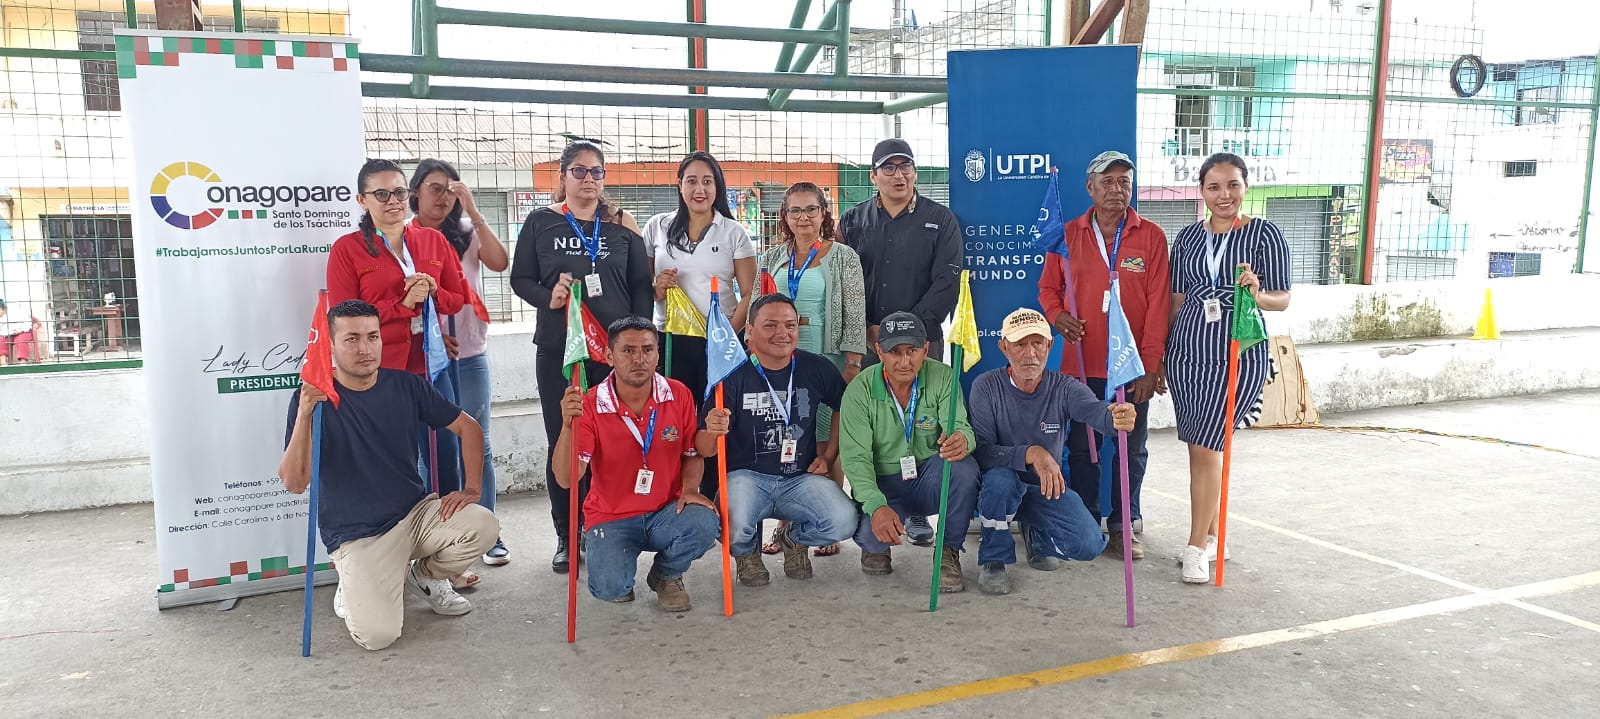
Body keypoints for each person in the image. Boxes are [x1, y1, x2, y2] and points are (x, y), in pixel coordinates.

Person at [278, 299, 498, 651]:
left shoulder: (406, 385)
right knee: (378, 636)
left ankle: (423, 576)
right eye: (351, 339)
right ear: (330, 346)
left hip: (414, 516)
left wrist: (472, 489)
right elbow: (294, 482)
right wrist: (304, 414)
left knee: (483, 525)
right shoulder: (313, 400)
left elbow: (469, 428)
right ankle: (354, 578)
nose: (365, 349)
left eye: (372, 336)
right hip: (358, 533)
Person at [510, 140, 652, 574]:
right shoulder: (540, 222)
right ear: (563, 177)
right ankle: (567, 534)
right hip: (563, 352)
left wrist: (637, 342)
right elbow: (520, 279)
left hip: (613, 356)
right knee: (566, 439)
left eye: (596, 172)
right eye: (579, 171)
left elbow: (641, 288)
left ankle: (605, 525)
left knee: (614, 442)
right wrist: (547, 296)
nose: (588, 179)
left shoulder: (622, 225)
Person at [327, 158, 471, 580]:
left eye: (399, 192)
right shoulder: (348, 249)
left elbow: (457, 298)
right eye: (381, 194)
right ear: (362, 200)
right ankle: (379, 561)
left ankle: (440, 565)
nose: (393, 201)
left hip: (431, 367)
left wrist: (433, 291)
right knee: (392, 467)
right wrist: (401, 305)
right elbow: (344, 318)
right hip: (378, 375)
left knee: (445, 458)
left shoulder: (432, 240)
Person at [1037, 150, 1172, 560]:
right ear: (1090, 187)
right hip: (1080, 367)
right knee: (1083, 449)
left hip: (1130, 367)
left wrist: (1150, 366)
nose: (1117, 189)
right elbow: (1047, 289)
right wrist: (1058, 316)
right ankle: (1087, 522)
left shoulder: (1151, 236)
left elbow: (1158, 306)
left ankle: (1124, 525)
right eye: (1107, 181)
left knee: (1131, 449)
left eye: (1124, 181)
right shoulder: (1068, 235)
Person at [1165, 152, 1292, 584]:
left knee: (1208, 447)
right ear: (1201, 191)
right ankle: (1214, 535)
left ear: (1246, 187)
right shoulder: (1187, 237)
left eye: (1233, 185)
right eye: (1214, 187)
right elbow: (1176, 299)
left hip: (1237, 352)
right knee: (1199, 449)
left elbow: (1282, 298)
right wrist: (1161, 353)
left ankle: (1195, 546)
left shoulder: (1264, 235)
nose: (1224, 195)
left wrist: (1257, 293)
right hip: (1186, 354)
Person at [838, 138, 963, 546]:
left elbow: (947, 281)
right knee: (874, 429)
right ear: (873, 176)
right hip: (869, 343)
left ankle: (918, 511)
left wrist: (907, 334)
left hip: (920, 343)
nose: (898, 175)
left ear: (915, 172)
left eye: (905, 167)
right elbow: (843, 283)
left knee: (923, 428)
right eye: (888, 168)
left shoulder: (940, 220)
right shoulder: (852, 221)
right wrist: (865, 330)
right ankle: (874, 505)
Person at [551, 316, 719, 612]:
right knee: (611, 589)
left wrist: (690, 489)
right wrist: (566, 427)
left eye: (647, 349)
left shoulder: (678, 393)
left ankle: (666, 575)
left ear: (657, 354)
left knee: (704, 522)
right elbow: (567, 478)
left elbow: (692, 452)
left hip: (665, 510)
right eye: (628, 350)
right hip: (612, 515)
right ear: (609, 355)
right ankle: (609, 555)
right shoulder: (589, 403)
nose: (639, 359)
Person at [968, 309, 1138, 595]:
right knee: (1000, 481)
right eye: (1020, 344)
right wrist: (1032, 453)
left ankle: (1037, 532)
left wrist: (1117, 417)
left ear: (1049, 345)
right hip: (999, 488)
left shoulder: (1065, 387)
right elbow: (982, 453)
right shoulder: (986, 386)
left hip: (1044, 488)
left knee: (1090, 544)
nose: (1030, 353)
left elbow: (1095, 411)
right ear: (1004, 347)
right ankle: (994, 557)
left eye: (1037, 343)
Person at [695, 295, 858, 587]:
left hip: (799, 479)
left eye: (790, 325)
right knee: (733, 524)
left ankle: (793, 538)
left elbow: (844, 406)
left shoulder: (815, 368)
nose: (782, 333)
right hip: (747, 479)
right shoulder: (731, 374)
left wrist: (829, 455)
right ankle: (746, 553)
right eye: (770, 325)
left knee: (844, 520)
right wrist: (712, 430)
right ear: (750, 330)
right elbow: (704, 449)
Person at [753, 181, 868, 557]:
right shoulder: (772, 257)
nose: (803, 217)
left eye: (811, 209)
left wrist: (853, 362)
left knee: (824, 442)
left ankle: (826, 524)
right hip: (778, 361)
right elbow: (756, 306)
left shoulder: (844, 257)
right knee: (786, 440)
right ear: (784, 216)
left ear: (824, 213)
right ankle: (785, 524)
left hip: (825, 356)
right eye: (795, 210)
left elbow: (856, 312)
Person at [408, 158, 513, 571]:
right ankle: (439, 536)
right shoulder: (404, 238)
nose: (443, 197)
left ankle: (486, 531)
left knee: (476, 440)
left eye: (450, 190)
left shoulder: (466, 232)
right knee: (433, 448)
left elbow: (500, 262)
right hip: (426, 358)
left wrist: (473, 209)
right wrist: (432, 335)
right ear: (415, 192)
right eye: (434, 188)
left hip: (469, 352)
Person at [839, 311, 980, 592]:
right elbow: (856, 459)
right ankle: (875, 546)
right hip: (886, 482)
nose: (904, 361)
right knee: (870, 536)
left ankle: (948, 551)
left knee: (963, 469)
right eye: (895, 352)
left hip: (929, 476)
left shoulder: (943, 376)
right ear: (879, 351)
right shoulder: (859, 390)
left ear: (926, 349)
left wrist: (962, 439)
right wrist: (876, 505)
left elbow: (960, 426)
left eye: (912, 351)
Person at [643, 151, 757, 404]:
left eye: (707, 181)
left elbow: (750, 293)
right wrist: (658, 288)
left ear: (717, 186)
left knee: (718, 411)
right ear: (679, 184)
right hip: (670, 338)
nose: (699, 189)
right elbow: (641, 287)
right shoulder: (657, 227)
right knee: (673, 412)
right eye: (691, 181)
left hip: (719, 338)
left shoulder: (733, 232)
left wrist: (726, 336)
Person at [0, 299, 42, 365]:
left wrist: (20, 330)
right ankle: (3, 362)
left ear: (3, 308)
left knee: (20, 340)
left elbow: (27, 322)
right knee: (1, 340)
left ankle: (23, 362)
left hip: (23, 331)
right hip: (8, 334)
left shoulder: (16, 311)